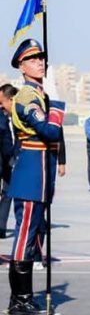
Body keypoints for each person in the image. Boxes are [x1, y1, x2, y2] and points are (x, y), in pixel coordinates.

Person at [5, 39, 66, 315]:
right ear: (21, 66)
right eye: (32, 59)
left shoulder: (40, 95)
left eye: (41, 58)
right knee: (24, 234)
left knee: (31, 235)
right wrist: (58, 103)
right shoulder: (27, 97)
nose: (39, 62)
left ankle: (24, 296)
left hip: (40, 174)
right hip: (31, 173)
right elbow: (50, 131)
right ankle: (19, 298)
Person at [0, 84, 17, 238]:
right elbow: (5, 141)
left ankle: (1, 227)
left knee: (7, 194)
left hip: (10, 160)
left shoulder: (19, 116)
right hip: (5, 159)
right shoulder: (1, 118)